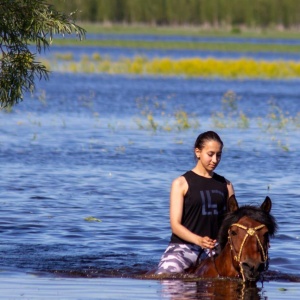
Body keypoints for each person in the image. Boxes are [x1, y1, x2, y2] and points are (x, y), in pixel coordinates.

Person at [155, 131, 235, 275]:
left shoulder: (226, 185)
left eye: (219, 155)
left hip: (215, 249)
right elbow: (175, 226)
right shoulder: (181, 183)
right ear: (198, 152)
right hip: (183, 247)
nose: (215, 160)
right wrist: (198, 240)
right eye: (210, 154)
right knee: (164, 277)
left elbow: (234, 223)